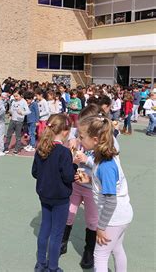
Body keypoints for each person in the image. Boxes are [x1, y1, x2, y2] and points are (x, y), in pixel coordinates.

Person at [76, 116, 133, 272]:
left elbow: (110, 200)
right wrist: (89, 180)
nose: (79, 140)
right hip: (121, 215)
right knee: (117, 249)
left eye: (81, 137)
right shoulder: (101, 158)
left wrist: (100, 227)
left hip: (113, 217)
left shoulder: (106, 165)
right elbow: (104, 185)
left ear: (95, 139)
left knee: (100, 255)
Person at [32, 114, 75, 272]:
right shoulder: (64, 152)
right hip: (60, 197)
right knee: (57, 234)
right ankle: (53, 267)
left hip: (44, 194)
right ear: (64, 131)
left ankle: (41, 264)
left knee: (44, 229)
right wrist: (74, 165)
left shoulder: (41, 148)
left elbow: (35, 172)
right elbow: (68, 176)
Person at [60, 104, 101, 269]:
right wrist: (72, 149)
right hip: (75, 184)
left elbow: (102, 167)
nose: (79, 133)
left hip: (91, 187)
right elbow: (70, 157)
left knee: (92, 220)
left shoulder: (101, 144)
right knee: (68, 213)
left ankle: (89, 251)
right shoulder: (76, 138)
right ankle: (62, 242)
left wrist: (86, 162)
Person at [4, 90, 30, 155]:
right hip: (12, 120)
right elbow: (12, 109)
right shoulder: (13, 101)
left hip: (19, 121)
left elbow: (28, 111)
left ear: (21, 95)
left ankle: (17, 148)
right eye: (14, 96)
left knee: (18, 136)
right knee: (8, 134)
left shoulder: (23, 102)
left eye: (16, 96)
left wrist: (22, 113)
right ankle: (6, 147)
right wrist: (10, 113)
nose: (15, 97)